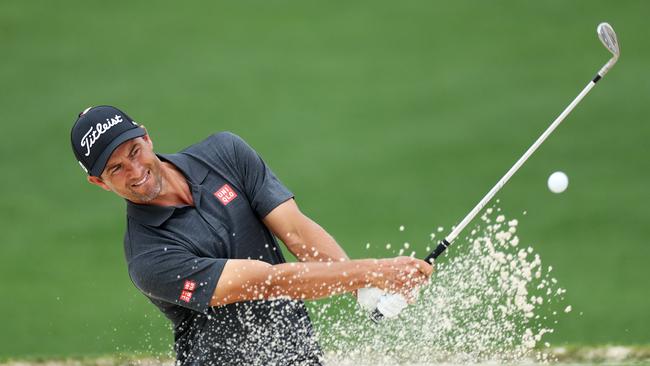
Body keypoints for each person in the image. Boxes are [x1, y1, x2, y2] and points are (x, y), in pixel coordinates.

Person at [70, 105, 433, 365]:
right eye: (116, 168)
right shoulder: (148, 257)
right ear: (98, 182)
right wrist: (375, 272)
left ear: (147, 137)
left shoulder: (224, 153)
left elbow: (295, 230)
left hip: (300, 354)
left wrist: (362, 288)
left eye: (135, 152)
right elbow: (270, 282)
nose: (135, 172)